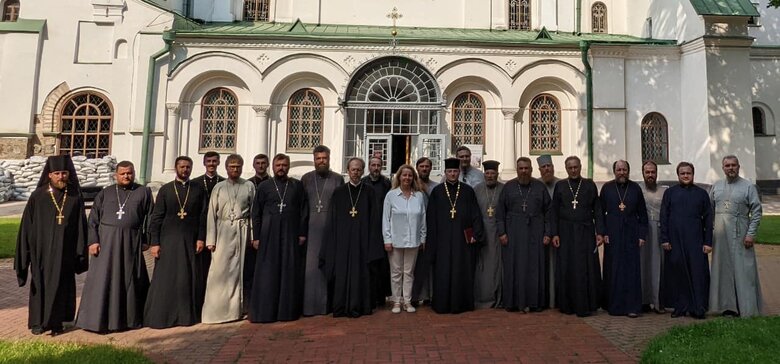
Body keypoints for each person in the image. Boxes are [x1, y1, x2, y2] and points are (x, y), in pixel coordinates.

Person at [76, 161, 153, 333]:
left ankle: (130, 320)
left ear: (134, 173)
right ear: (115, 175)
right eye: (123, 173)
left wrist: (147, 239)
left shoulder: (143, 192)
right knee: (103, 280)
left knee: (130, 279)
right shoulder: (105, 193)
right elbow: (93, 220)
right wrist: (93, 241)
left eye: (130, 173)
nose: (127, 176)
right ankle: (97, 320)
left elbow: (150, 218)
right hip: (106, 244)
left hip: (130, 243)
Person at [15, 155, 88, 336]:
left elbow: (81, 226)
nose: (61, 177)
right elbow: (26, 227)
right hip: (41, 253)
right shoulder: (37, 197)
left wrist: (80, 251)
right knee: (40, 286)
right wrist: (25, 253)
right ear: (49, 175)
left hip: (65, 252)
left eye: (64, 173)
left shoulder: (74, 197)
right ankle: (38, 322)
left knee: (62, 287)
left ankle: (58, 323)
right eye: (57, 173)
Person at [144, 156, 209, 329]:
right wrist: (154, 242)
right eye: (182, 167)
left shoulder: (198, 189)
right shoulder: (165, 190)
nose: (185, 170)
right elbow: (156, 217)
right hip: (168, 240)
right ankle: (163, 316)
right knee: (167, 278)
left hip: (190, 240)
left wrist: (201, 238)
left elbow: (203, 216)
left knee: (187, 277)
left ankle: (186, 317)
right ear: (176, 168)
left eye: (188, 167)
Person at [320, 158, 383, 317]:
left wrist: (372, 243)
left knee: (361, 274)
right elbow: (332, 219)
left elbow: (374, 219)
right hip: (342, 241)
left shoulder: (369, 192)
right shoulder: (339, 192)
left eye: (359, 170)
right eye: (353, 169)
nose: (356, 173)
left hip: (362, 242)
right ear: (348, 171)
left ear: (363, 171)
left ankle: (360, 306)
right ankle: (340, 306)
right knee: (342, 273)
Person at [249, 154, 308, 323]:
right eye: (278, 165)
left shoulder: (296, 185)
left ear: (288, 167)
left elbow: (303, 210)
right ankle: (266, 312)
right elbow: (256, 212)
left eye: (284, 165)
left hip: (290, 234)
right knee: (268, 273)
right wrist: (256, 236)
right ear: (272, 167)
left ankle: (287, 311)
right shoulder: (265, 186)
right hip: (268, 236)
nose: (281, 168)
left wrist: (302, 233)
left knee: (288, 272)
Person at [202, 154, 255, 323]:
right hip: (222, 231)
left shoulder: (248, 186)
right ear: (226, 168)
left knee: (237, 272)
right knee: (218, 271)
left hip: (242, 230)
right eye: (232, 166)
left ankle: (236, 311)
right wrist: (211, 239)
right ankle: (215, 312)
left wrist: (252, 237)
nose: (235, 169)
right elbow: (211, 214)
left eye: (238, 166)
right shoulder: (219, 187)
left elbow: (254, 213)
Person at [427, 157, 484, 314]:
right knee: (443, 271)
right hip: (442, 240)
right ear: (445, 173)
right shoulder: (437, 192)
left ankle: (462, 304)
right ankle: (442, 304)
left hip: (462, 240)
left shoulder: (467, 190)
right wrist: (432, 241)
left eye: (455, 171)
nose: (452, 174)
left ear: (459, 172)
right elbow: (431, 218)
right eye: (449, 171)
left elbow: (475, 215)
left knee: (461, 270)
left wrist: (475, 234)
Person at [549, 156, 603, 317]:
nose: (573, 170)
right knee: (567, 267)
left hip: (585, 231)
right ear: (566, 169)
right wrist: (555, 233)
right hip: (565, 232)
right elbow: (554, 212)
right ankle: (568, 305)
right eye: (570, 168)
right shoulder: (560, 186)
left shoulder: (589, 185)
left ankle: (587, 304)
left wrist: (599, 232)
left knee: (585, 268)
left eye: (576, 167)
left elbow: (597, 210)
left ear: (580, 167)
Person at [709, 155, 763, 317]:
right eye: (727, 165)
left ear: (738, 167)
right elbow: (709, 210)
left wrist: (750, 234)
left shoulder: (748, 187)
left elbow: (757, 212)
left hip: (741, 234)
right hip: (720, 235)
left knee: (744, 270)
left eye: (733, 165)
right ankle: (727, 306)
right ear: (723, 168)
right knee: (722, 270)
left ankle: (746, 307)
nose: (730, 168)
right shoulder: (716, 186)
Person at [496, 157, 550, 312]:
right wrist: (502, 232)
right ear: (517, 169)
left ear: (531, 169)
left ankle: (535, 302)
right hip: (514, 233)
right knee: (514, 267)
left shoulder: (539, 187)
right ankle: (513, 302)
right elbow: (500, 212)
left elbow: (549, 212)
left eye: (527, 168)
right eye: (521, 168)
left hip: (536, 232)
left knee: (535, 267)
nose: (524, 171)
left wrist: (548, 233)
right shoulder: (509, 187)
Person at [660, 162, 713, 319]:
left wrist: (708, 242)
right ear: (678, 175)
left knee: (698, 273)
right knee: (678, 273)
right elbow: (664, 217)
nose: (685, 176)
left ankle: (698, 307)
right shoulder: (670, 193)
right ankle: (680, 307)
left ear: (693, 174)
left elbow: (708, 220)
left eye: (688, 173)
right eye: (682, 173)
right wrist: (665, 238)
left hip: (695, 239)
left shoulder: (702, 194)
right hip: (675, 240)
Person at [599, 160, 649, 318]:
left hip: (631, 234)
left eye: (624, 169)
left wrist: (642, 235)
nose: (622, 172)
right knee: (613, 270)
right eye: (619, 170)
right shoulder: (607, 188)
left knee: (631, 271)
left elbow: (642, 214)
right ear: (614, 171)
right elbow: (600, 213)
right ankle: (613, 306)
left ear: (628, 171)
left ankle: (632, 307)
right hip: (612, 234)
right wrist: (603, 232)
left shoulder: (635, 189)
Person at [301, 145, 344, 316]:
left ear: (329, 158)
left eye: (324, 158)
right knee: (310, 269)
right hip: (311, 229)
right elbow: (302, 207)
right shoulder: (305, 179)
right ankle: (309, 307)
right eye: (318, 159)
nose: (321, 161)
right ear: (314, 159)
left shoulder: (337, 179)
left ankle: (328, 306)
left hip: (330, 228)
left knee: (329, 266)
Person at [382, 164, 427, 314]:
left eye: (409, 175)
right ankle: (396, 301)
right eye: (404, 175)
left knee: (409, 272)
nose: (407, 178)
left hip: (413, 240)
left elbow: (422, 219)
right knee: (396, 272)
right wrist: (387, 239)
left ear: (413, 178)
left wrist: (423, 237)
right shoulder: (391, 195)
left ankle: (407, 301)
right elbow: (385, 219)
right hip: (395, 240)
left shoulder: (419, 196)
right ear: (399, 177)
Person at [191, 151, 225, 307]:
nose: (211, 164)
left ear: (218, 163)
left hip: (220, 230)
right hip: (200, 228)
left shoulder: (223, 183)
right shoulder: (196, 183)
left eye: (214, 161)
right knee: (200, 268)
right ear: (204, 163)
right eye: (209, 161)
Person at [362, 156, 393, 309]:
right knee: (369, 264)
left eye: (378, 165)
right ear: (369, 166)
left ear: (382, 167)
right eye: (373, 165)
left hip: (382, 229)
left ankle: (381, 296)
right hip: (367, 229)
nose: (375, 168)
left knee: (382, 265)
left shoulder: (386, 183)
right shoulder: (363, 183)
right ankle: (369, 294)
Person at [473, 160, 505, 309]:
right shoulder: (477, 189)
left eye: (493, 173)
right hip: (482, 233)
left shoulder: (504, 189)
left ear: (497, 174)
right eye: (487, 173)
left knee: (498, 266)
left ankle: (498, 297)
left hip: (498, 233)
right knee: (482, 267)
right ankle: (482, 298)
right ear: (484, 174)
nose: (490, 176)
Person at [639, 160, 668, 313]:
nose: (650, 175)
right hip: (642, 232)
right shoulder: (637, 190)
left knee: (658, 266)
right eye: (647, 172)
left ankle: (657, 302)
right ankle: (643, 301)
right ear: (643, 173)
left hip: (658, 230)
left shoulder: (664, 191)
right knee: (642, 266)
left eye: (653, 172)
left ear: (657, 173)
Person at [412, 156, 439, 305]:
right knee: (415, 265)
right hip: (415, 230)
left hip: (431, 229)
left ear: (431, 168)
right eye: (421, 166)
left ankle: (428, 295)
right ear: (417, 168)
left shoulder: (435, 186)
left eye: (427, 166)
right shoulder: (412, 185)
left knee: (429, 264)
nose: (424, 169)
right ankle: (415, 296)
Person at [245, 153, 269, 311]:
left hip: (269, 229)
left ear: (267, 165)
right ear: (253, 165)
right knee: (251, 269)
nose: (260, 166)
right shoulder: (248, 184)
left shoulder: (272, 183)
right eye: (257, 163)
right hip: (252, 232)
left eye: (263, 163)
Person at [537, 154, 558, 308]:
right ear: (539, 169)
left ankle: (557, 299)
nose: (546, 169)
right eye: (543, 167)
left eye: (548, 166)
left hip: (558, 232)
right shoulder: (536, 185)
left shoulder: (561, 184)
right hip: (540, 233)